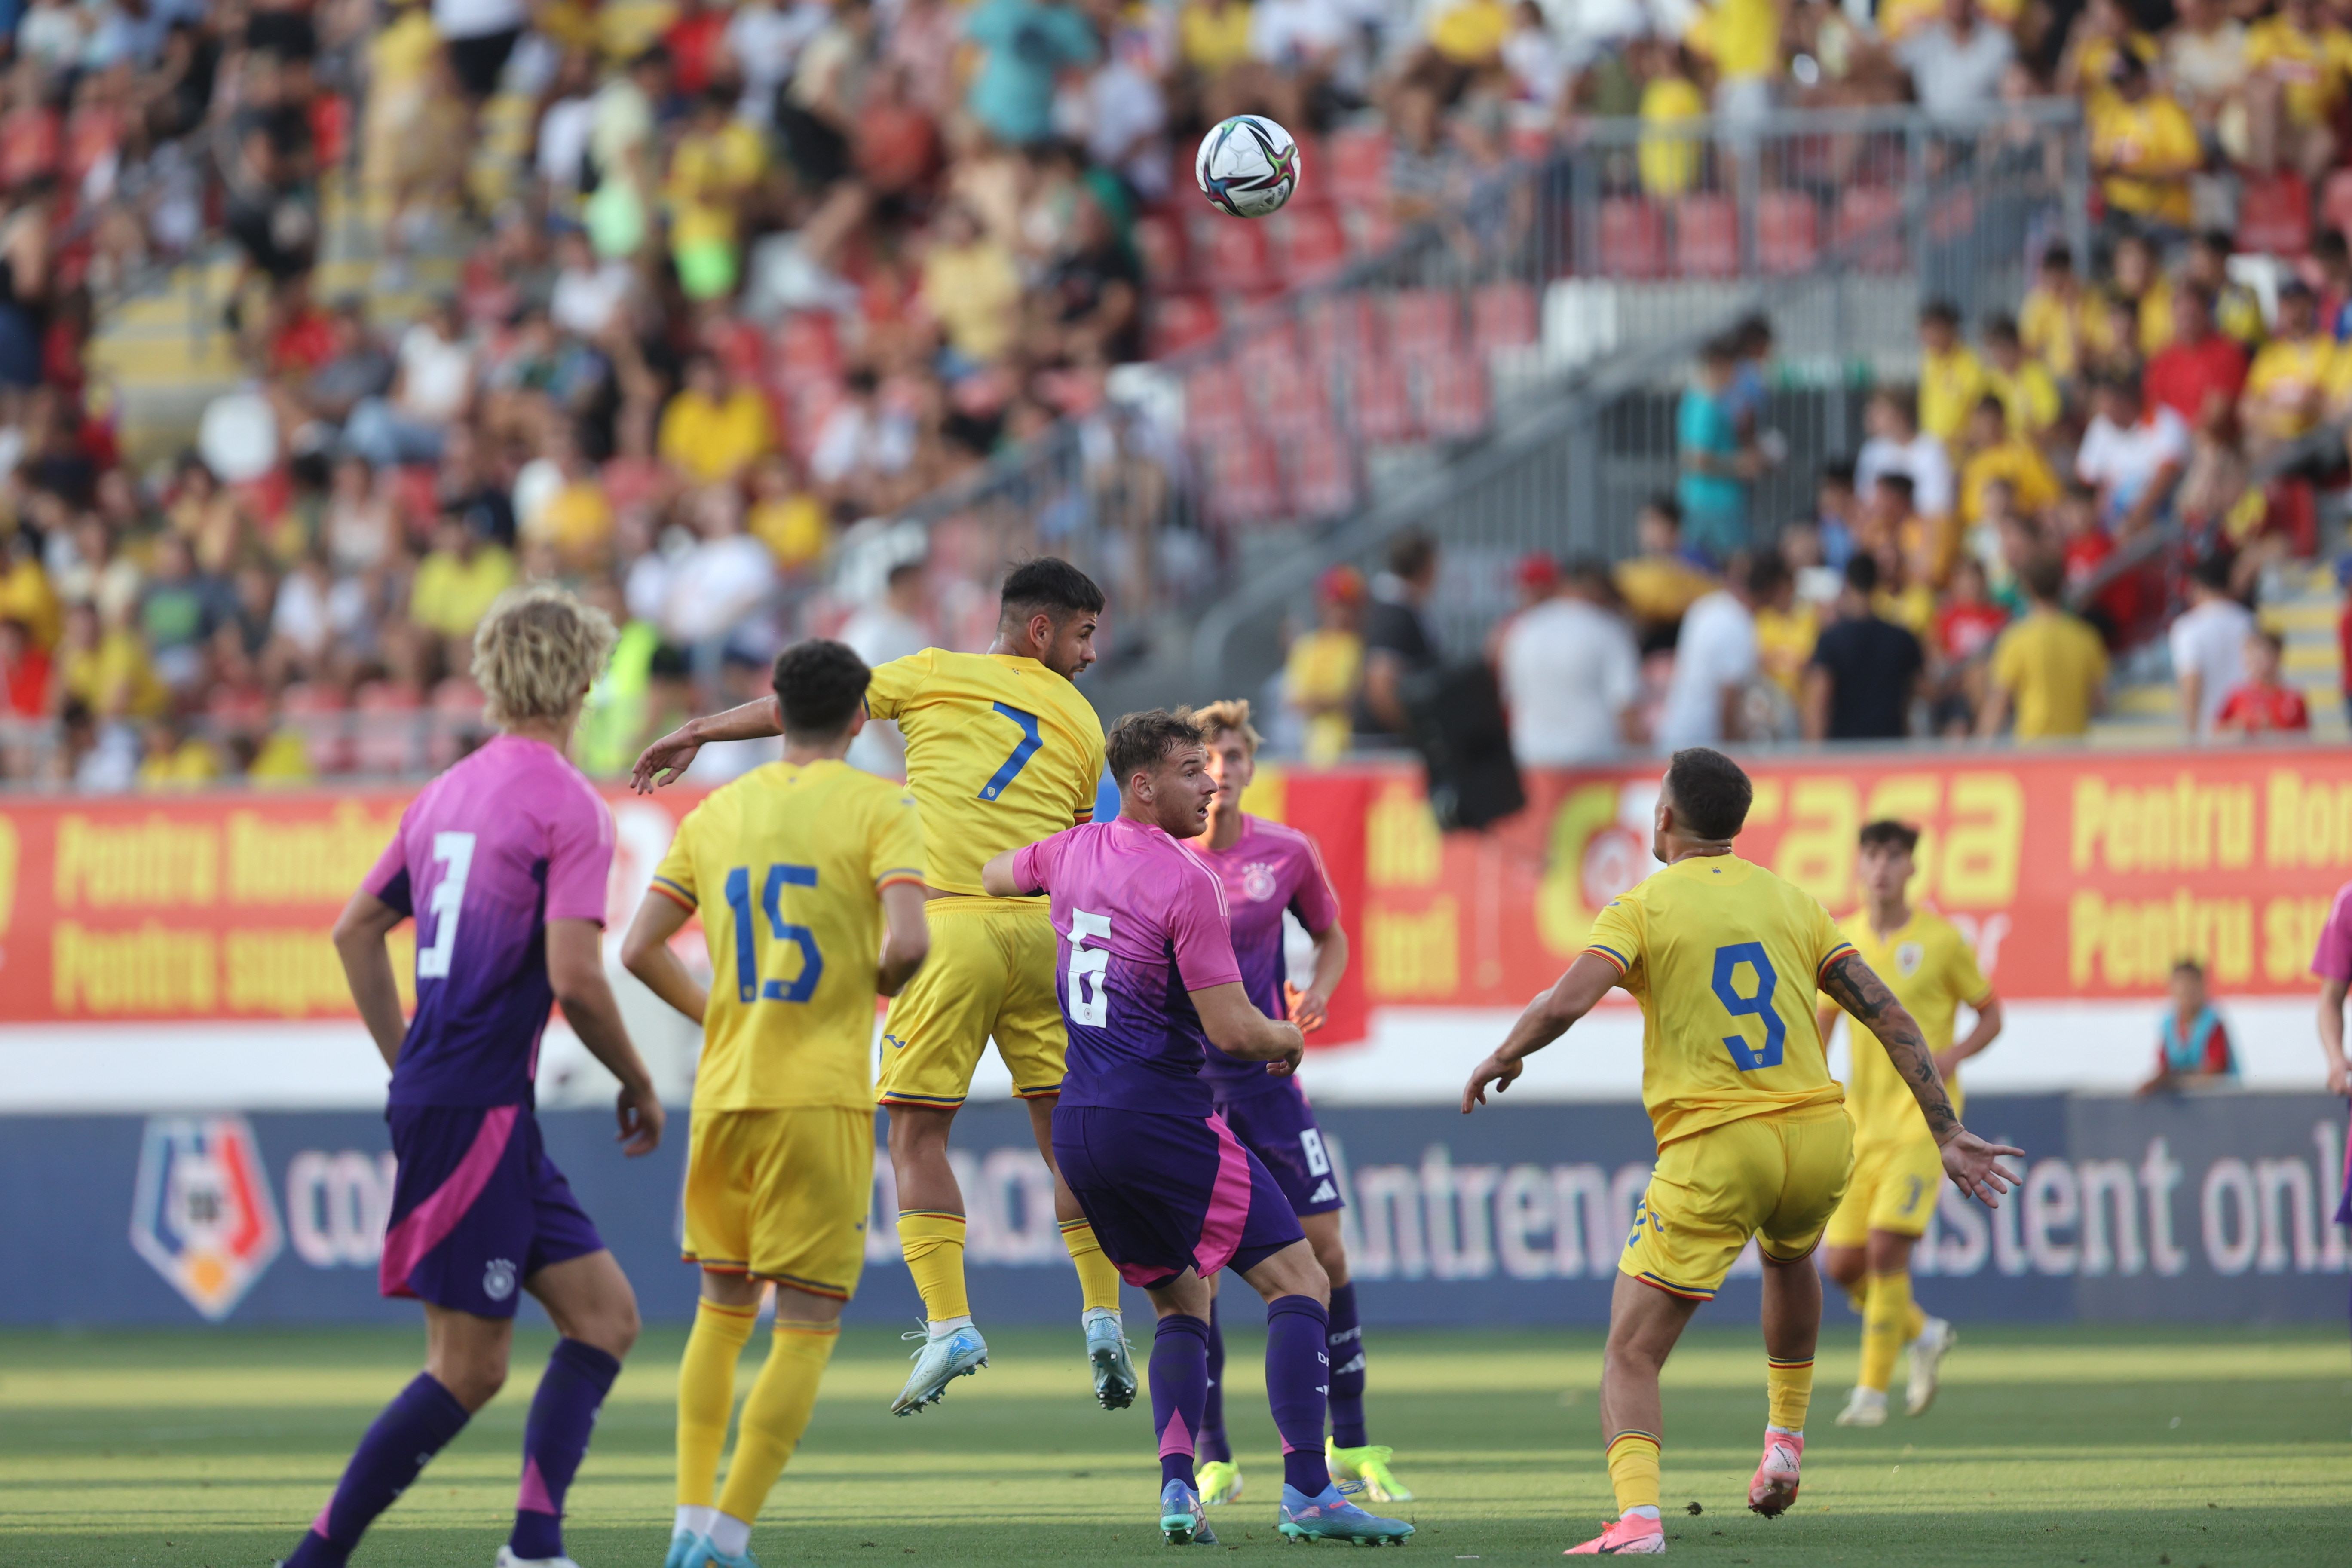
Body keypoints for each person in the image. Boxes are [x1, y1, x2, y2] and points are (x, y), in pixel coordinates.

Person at [1460, 747, 2018, 1556]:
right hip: (1819, 1138)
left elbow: (1568, 998)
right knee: (1791, 1262)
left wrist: (1507, 1051)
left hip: (1719, 1144)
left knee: (1630, 1348)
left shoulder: (1642, 905)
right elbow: (1888, 1012)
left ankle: (1639, 1519)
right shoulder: (1794, 901)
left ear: (1663, 818)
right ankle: (1784, 1444)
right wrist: (1945, 1128)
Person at [630, 560, 1131, 1415]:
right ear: (1040, 630)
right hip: (1045, 937)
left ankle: (949, 1324)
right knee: (1067, 1140)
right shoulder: (1084, 720)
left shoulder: (935, 673)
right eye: (1084, 634)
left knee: (917, 1137)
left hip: (948, 930)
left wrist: (701, 732)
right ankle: (1103, 1316)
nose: (1092, 654)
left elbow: (814, 707)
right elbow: (1082, 850)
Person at [285, 585, 662, 1568]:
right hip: (476, 1104)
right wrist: (636, 1076)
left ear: (493, 676)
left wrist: (408, 1062)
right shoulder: (567, 802)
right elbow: (576, 975)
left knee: (604, 1316)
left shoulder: (446, 790)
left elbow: (353, 930)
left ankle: (534, 1548)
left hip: (476, 1100)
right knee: (467, 1368)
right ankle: (311, 1560)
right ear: (583, 677)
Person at [978, 709, 1416, 1548]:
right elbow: (1235, 1033)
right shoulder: (1189, 879)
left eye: (1211, 768)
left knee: (1182, 1303)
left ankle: (1179, 1492)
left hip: (1081, 1131)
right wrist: (1288, 1038)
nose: (1209, 781)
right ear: (1141, 785)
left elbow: (999, 874)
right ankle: (1311, 1492)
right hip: (1165, 1119)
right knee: (1301, 1279)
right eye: (1189, 770)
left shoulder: (1069, 852)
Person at [619, 639, 931, 1568]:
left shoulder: (720, 812)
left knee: (720, 1312)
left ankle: (683, 1523)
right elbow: (910, 945)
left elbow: (639, 949)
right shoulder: (883, 808)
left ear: (779, 712)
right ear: (858, 717)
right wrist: (867, 978)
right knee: (805, 1322)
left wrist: (720, 1014)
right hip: (819, 1095)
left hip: (727, 1093)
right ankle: (730, 1533)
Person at [1175, 700, 1409, 1509]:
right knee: (1195, 1274)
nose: (1221, 770)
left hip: (1271, 1087)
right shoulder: (1167, 856)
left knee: (1327, 1254)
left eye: (1234, 755)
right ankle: (1214, 1456)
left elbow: (1333, 935)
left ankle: (1348, 1440)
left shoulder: (1286, 851)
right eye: (1207, 757)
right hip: (1194, 1090)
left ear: (1248, 764)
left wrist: (1317, 993)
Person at [1814, 820, 2002, 1428]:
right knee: (1843, 1266)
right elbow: (1823, 1023)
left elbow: (1990, 1012)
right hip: (1859, 1125)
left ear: (1912, 868)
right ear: (1860, 863)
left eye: (1894, 857)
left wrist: (1954, 1056)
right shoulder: (1842, 937)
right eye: (1871, 855)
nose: (1882, 868)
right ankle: (1923, 1334)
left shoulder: (1942, 941)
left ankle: (1870, 1395)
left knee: (1886, 1250)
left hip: (1924, 1125)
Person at [1498, 557, 1644, 765]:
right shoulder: (1610, 630)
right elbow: (1626, 708)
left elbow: (1509, 701)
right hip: (1593, 763)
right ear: (1599, 590)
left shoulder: (1520, 630)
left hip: (1531, 760)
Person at [1656, 552, 1786, 753]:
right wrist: (1731, 754)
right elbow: (1728, 702)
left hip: (1677, 734)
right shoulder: (1737, 625)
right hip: (1702, 746)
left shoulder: (1708, 606)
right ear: (1774, 588)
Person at [1980, 555, 2108, 740]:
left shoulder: (2016, 639)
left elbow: (1998, 703)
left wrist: (1981, 750)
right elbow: (2098, 701)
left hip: (2034, 749)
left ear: (2028, 588)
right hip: (2075, 748)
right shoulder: (2086, 637)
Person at [1803, 554, 1923, 743]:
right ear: (1877, 583)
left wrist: (1814, 755)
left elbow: (1819, 701)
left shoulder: (1831, 639)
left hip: (1846, 750)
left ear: (1847, 584)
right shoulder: (1901, 639)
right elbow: (1923, 691)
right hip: (1892, 747)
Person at [840, 558, 929, 777]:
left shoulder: (911, 628)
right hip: (876, 760)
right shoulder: (871, 632)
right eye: (919, 584)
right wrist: (898, 754)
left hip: (906, 755)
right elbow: (862, 695)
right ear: (904, 585)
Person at [1677, 337, 1758, 565]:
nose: (1736, 375)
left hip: (1715, 501)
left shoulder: (1711, 400)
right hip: (1714, 504)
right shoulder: (1705, 405)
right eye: (1734, 368)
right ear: (1720, 365)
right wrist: (1739, 466)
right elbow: (1694, 459)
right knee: (1737, 565)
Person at [1353, 533, 1441, 743]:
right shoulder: (1395, 613)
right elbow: (1380, 686)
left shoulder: (1394, 608)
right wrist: (1417, 734)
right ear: (1426, 566)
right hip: (1385, 748)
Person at [2169, 554, 2255, 740]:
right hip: (2245, 731)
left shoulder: (2187, 628)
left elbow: (2192, 681)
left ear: (2197, 587)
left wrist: (2191, 736)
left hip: (2209, 734)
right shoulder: (2248, 622)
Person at [2137, 960, 2238, 1094]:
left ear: (2203, 989)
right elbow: (2164, 1068)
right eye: (2182, 989)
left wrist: (2176, 1081)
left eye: (2191, 988)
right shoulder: (2168, 1026)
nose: (2187, 994)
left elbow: (2216, 1071)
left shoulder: (2212, 1023)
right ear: (2172, 990)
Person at [2215, 629, 2311, 735]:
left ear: (2277, 656)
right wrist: (2238, 726)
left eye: (2260, 657)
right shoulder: (2238, 695)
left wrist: (2273, 730)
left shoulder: (2294, 698)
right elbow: (2216, 732)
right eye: (2250, 656)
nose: (2253, 663)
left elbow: (2305, 739)